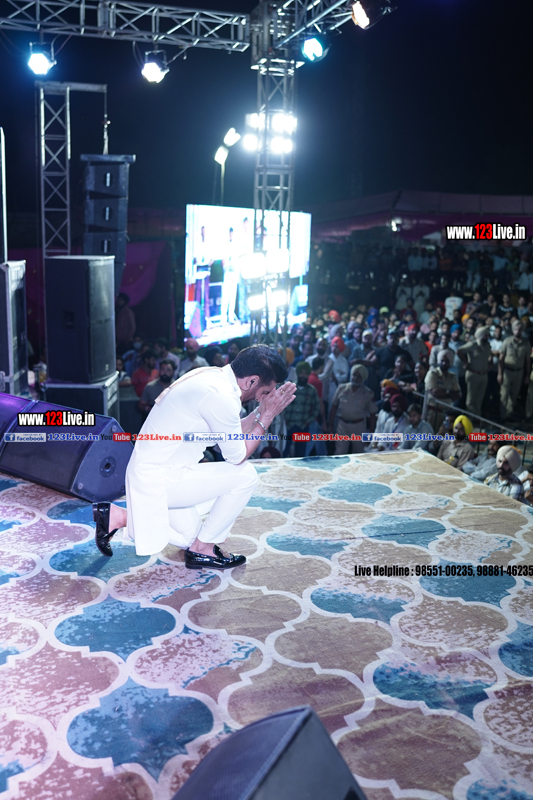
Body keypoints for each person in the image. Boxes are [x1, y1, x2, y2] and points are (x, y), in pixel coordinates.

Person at [93, 346, 296, 568]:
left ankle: (118, 517)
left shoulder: (212, 378)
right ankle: (203, 549)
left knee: (191, 539)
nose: (261, 398)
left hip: (154, 475)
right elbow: (237, 456)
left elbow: (229, 432)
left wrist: (260, 412)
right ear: (251, 381)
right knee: (246, 475)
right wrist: (266, 417)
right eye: (265, 392)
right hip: (161, 479)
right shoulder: (221, 396)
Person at [327, 364, 377, 455]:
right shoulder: (342, 388)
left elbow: (372, 414)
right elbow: (334, 407)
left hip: (358, 426)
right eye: (354, 375)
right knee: (339, 453)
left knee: (358, 454)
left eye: (359, 376)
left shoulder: (368, 393)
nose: (355, 378)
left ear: (363, 378)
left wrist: (370, 433)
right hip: (342, 425)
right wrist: (330, 425)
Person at [283, 361, 321, 457]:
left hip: (303, 426)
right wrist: (285, 419)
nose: (303, 376)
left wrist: (308, 421)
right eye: (301, 373)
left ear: (308, 374)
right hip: (289, 426)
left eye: (305, 373)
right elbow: (282, 404)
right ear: (297, 373)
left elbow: (317, 408)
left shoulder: (312, 390)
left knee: (300, 454)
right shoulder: (290, 388)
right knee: (285, 451)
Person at [456, 326, 492, 417]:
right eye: (485, 335)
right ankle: (470, 417)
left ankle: (477, 417)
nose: (487, 336)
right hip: (473, 374)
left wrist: (490, 365)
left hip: (483, 374)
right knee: (471, 398)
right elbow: (459, 351)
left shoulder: (487, 345)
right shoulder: (473, 345)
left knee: (479, 398)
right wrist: (466, 362)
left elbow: (489, 356)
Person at [498, 320, 531, 419]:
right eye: (516, 329)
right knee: (504, 394)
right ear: (513, 330)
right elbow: (501, 358)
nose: (518, 331)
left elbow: (528, 360)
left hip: (519, 371)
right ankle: (502, 415)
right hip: (507, 371)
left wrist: (527, 374)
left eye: (520, 329)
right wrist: (499, 374)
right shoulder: (507, 341)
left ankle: (509, 414)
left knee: (514, 394)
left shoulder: (526, 343)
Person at [424, 351, 461, 429]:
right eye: (442, 360)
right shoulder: (432, 373)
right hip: (433, 412)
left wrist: (444, 392)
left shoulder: (452, 376)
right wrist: (450, 393)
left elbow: (458, 394)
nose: (444, 363)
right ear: (438, 361)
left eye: (447, 361)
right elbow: (435, 393)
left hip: (446, 413)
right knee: (430, 433)